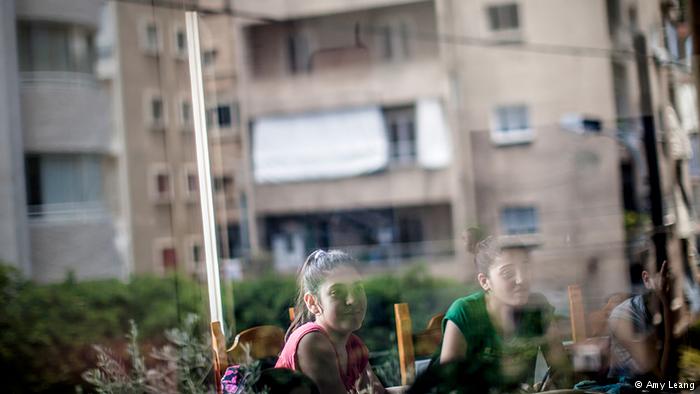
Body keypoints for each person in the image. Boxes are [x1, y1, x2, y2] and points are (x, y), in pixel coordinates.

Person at [434, 231, 572, 393]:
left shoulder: (537, 307)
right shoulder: (464, 312)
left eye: (526, 268)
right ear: (485, 282)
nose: (521, 279)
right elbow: (448, 385)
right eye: (508, 273)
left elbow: (561, 369)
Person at [276, 249, 386, 394]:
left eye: (358, 288)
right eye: (336, 292)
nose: (352, 300)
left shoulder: (353, 345)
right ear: (312, 303)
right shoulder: (312, 342)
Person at [607, 260, 677, 380]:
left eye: (671, 274)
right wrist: (665, 301)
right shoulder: (623, 315)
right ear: (646, 280)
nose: (667, 281)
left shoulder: (676, 308)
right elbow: (659, 376)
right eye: (662, 275)